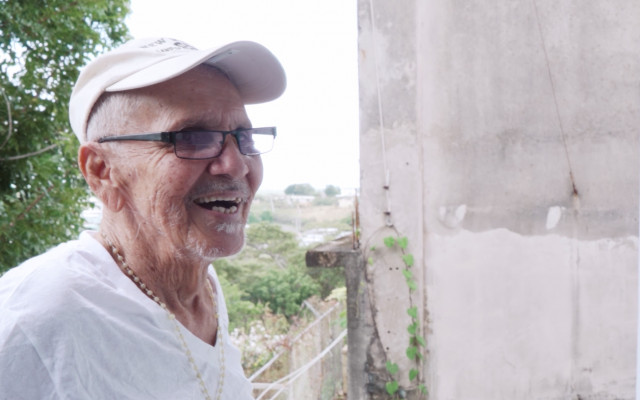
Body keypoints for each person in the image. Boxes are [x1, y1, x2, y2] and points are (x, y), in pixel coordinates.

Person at [0, 37, 286, 399]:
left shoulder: (201, 286)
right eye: (192, 137)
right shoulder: (32, 319)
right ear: (101, 171)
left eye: (243, 137)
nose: (236, 164)